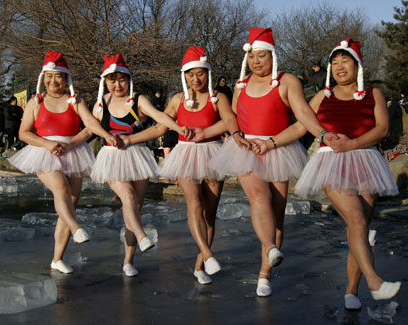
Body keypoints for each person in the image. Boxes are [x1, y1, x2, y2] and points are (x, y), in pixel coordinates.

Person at [209, 28, 338, 297]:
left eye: (263, 56)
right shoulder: (241, 84)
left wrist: (323, 134)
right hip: (246, 149)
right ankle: (269, 248)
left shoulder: (287, 81)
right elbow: (232, 117)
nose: (257, 62)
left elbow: (303, 113)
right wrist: (233, 135)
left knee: (278, 214)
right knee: (258, 197)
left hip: (279, 148)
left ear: (272, 56)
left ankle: (265, 273)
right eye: (253, 57)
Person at [127, 46, 250, 284]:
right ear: (184, 76)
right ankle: (208, 254)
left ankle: (199, 265)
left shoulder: (218, 98)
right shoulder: (177, 99)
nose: (196, 79)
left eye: (200, 73)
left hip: (213, 155)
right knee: (194, 203)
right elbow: (159, 127)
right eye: (191, 74)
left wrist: (232, 134)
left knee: (210, 214)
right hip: (185, 156)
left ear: (208, 73)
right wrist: (129, 139)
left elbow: (229, 120)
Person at [295, 38, 401, 308]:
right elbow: (302, 121)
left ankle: (352, 291)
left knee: (361, 229)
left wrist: (353, 144)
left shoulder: (372, 94)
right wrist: (270, 142)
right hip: (331, 163)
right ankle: (375, 283)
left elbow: (382, 129)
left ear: (357, 65)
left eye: (345, 61)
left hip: (366, 162)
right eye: (334, 62)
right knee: (355, 219)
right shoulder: (324, 96)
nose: (339, 67)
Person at [8, 51, 119, 274]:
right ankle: (76, 227)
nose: (53, 81)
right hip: (44, 152)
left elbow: (89, 124)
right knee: (61, 188)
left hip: (73, 152)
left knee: (71, 202)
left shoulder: (75, 100)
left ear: (66, 78)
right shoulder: (36, 101)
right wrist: (46, 144)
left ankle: (57, 258)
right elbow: (23, 133)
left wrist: (106, 135)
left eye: (57, 76)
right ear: (43, 78)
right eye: (49, 76)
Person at [88, 54, 191, 277]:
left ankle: (128, 260)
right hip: (112, 158)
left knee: (134, 209)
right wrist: (66, 145)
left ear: (129, 79)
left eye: (121, 79)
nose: (117, 85)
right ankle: (143, 237)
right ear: (105, 81)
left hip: (138, 157)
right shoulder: (101, 103)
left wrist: (179, 128)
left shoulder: (138, 99)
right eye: (112, 80)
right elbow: (90, 130)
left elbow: (158, 117)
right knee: (127, 197)